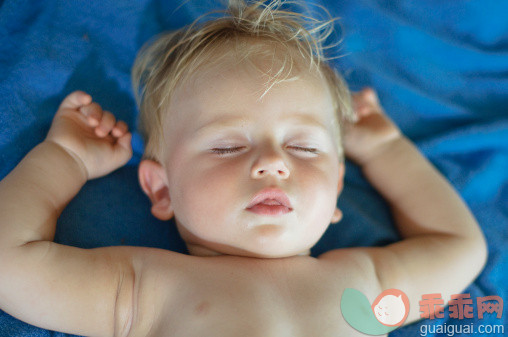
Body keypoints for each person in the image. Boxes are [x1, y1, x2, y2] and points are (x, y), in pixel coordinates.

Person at [0, 1, 486, 336]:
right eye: (228, 146)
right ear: (162, 190)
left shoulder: (365, 282)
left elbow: (459, 247)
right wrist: (63, 160)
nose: (273, 163)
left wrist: (386, 149)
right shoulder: (146, 288)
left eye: (303, 146)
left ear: (338, 189)